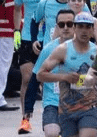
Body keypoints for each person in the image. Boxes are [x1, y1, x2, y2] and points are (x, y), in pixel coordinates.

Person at [36, 13, 97, 137]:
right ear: (75, 28)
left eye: (88, 27)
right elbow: (40, 75)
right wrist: (64, 77)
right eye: (80, 27)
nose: (84, 31)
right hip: (67, 110)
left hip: (89, 109)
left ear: (92, 30)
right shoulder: (63, 49)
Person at [13, 0, 55, 133]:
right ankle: (25, 119)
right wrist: (16, 31)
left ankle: (52, 117)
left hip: (49, 39)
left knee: (49, 80)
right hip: (27, 38)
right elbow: (16, 10)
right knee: (27, 78)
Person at [31, 8, 75, 137]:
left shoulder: (86, 47)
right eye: (62, 25)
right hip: (53, 102)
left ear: (75, 26)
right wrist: (28, 108)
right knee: (52, 133)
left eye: (70, 24)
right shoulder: (48, 48)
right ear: (57, 27)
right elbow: (35, 78)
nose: (65, 27)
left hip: (78, 102)